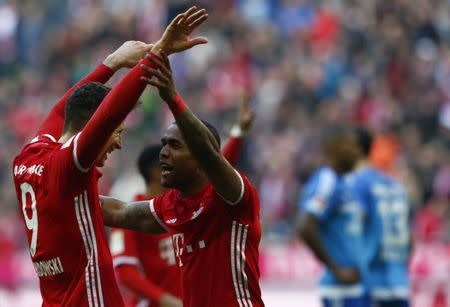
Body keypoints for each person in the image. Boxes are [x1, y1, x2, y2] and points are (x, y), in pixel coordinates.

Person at [12, 7, 208, 306]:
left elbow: (61, 110)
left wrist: (111, 64)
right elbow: (108, 112)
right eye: (116, 133)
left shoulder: (30, 156)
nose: (117, 144)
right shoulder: (68, 165)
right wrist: (157, 54)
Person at [101, 52, 265, 306]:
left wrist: (172, 99)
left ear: (200, 156)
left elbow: (212, 156)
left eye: (175, 145)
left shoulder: (231, 198)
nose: (164, 152)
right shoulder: (171, 205)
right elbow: (118, 212)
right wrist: (63, 180)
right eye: (164, 144)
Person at [297, 127, 367, 307]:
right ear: (335, 150)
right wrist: (335, 269)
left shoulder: (347, 181)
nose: (357, 152)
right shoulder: (327, 181)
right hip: (340, 290)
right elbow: (305, 227)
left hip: (356, 285)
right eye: (351, 147)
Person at [350, 127, 412, 307]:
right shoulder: (398, 187)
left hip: (372, 281)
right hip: (399, 281)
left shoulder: (361, 182)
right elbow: (410, 238)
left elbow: (356, 221)